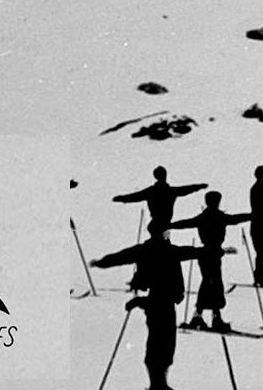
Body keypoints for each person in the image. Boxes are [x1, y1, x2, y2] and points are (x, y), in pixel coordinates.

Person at [92, 221, 207, 390]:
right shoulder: (171, 251)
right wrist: (217, 251)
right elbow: (194, 252)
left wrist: (102, 263)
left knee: (158, 342)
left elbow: (121, 256)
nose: (169, 234)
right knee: (164, 344)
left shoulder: (144, 250)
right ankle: (158, 384)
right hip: (164, 301)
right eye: (167, 232)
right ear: (162, 233)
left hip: (156, 301)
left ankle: (159, 383)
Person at [163, 191, 246, 330]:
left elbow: (185, 223)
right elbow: (236, 218)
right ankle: (211, 316)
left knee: (209, 282)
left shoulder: (203, 217)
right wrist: (253, 215)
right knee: (213, 283)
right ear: (218, 202)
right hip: (213, 254)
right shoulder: (220, 216)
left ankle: (202, 316)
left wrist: (169, 225)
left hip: (205, 254)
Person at [112, 167, 207, 234]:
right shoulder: (170, 191)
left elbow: (134, 197)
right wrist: (199, 186)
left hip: (156, 223)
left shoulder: (152, 191)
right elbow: (186, 189)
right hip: (164, 223)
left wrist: (121, 198)